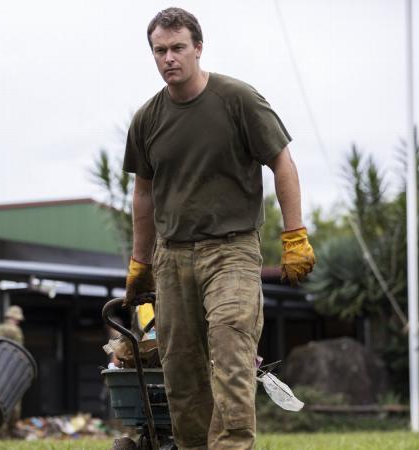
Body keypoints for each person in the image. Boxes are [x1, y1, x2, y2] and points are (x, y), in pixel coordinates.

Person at [122, 7, 315, 449]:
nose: (168, 58)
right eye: (159, 50)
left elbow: (281, 162)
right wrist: (139, 260)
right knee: (181, 367)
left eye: (177, 48)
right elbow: (144, 194)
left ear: (198, 48)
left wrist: (295, 234)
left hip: (231, 250)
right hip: (172, 256)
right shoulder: (147, 119)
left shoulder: (238, 100)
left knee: (230, 350)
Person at [0, 305, 24, 438]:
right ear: (16, 319)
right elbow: (20, 351)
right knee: (14, 401)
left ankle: (0, 431)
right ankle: (11, 429)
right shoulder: (16, 331)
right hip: (11, 370)